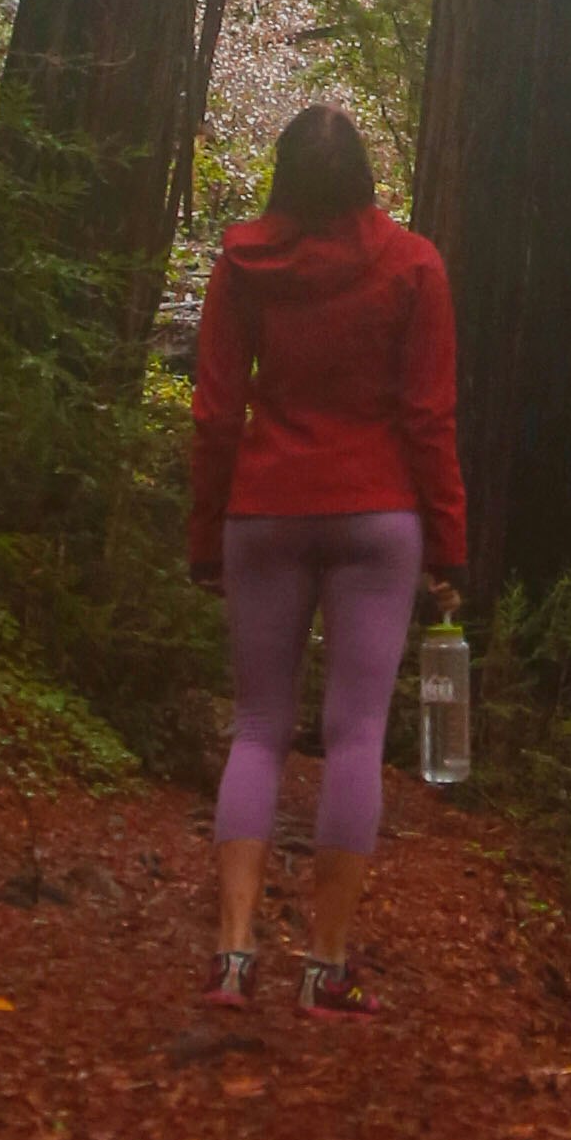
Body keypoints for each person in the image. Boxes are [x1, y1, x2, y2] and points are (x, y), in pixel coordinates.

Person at [187, 100, 464, 1017]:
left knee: (259, 729)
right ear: (364, 180)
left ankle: (232, 956)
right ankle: (326, 966)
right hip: (378, 516)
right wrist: (451, 544)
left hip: (264, 511)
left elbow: (217, 412)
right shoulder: (414, 267)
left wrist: (204, 534)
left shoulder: (242, 263)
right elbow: (428, 417)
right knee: (353, 738)